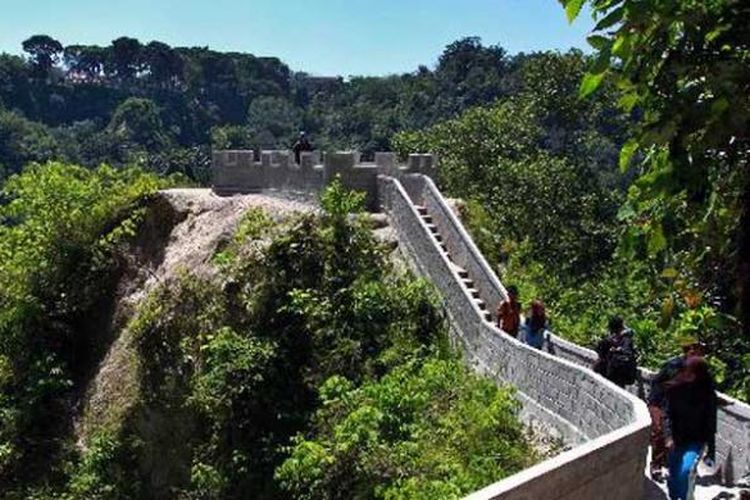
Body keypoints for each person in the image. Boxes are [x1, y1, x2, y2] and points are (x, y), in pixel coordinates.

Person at [647, 336, 705, 482]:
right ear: (690, 350)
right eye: (697, 349)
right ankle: (656, 466)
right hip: (660, 402)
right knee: (660, 433)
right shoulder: (674, 365)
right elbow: (661, 383)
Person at [663, 355, 717, 500]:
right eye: (687, 370)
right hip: (676, 438)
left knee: (685, 471)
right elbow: (668, 415)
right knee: (674, 473)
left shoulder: (708, 394)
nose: (687, 374)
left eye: (691, 372)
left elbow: (711, 422)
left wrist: (711, 450)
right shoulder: (675, 390)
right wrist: (668, 436)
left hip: (696, 440)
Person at [593, 315, 638, 388]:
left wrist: (616, 350)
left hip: (614, 373)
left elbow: (627, 352)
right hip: (616, 373)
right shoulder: (621, 338)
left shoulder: (622, 338)